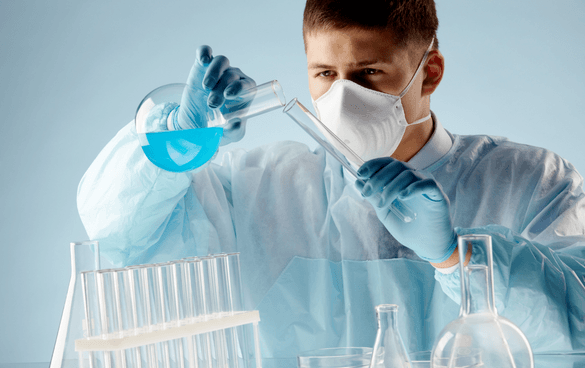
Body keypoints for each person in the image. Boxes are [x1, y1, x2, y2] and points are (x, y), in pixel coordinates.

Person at [77, 0, 585, 366]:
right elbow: (119, 234)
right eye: (324, 74)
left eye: (367, 75)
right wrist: (174, 148)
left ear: (428, 71)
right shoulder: (260, 189)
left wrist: (456, 257)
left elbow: (577, 324)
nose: (343, 98)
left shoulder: (532, 182)